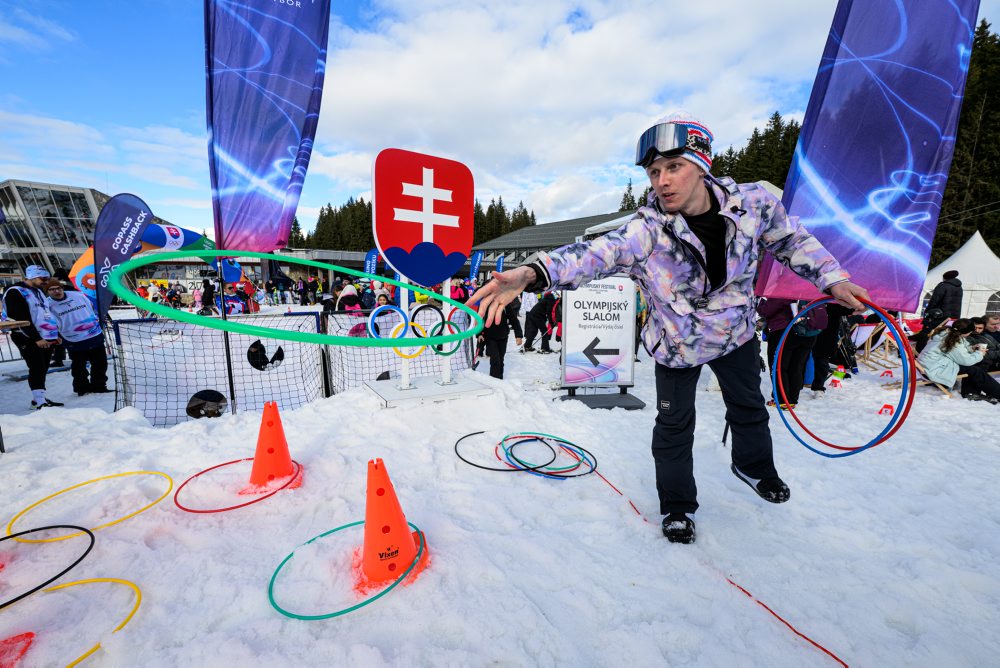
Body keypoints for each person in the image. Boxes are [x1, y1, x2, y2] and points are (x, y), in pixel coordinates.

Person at [468, 112, 868, 544]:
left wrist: (832, 278)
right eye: (654, 171)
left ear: (702, 165)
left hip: (734, 335)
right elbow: (596, 254)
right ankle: (678, 506)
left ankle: (754, 468)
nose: (662, 181)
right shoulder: (647, 231)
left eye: (674, 166)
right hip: (676, 346)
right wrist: (534, 272)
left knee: (750, 408)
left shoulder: (753, 205)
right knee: (675, 426)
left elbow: (792, 240)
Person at [1, 265, 64, 409]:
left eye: (47, 278)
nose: (46, 281)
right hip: (26, 336)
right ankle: (38, 401)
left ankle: (39, 398)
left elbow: (46, 314)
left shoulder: (38, 290)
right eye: (43, 278)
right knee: (36, 367)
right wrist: (36, 339)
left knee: (43, 367)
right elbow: (20, 318)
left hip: (45, 335)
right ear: (31, 277)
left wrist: (55, 334)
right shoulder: (15, 292)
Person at [44, 279, 110, 396]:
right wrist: (54, 336)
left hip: (93, 334)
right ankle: (82, 388)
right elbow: (48, 322)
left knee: (100, 362)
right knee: (79, 365)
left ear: (62, 288)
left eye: (58, 288)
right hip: (73, 338)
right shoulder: (46, 305)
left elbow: (92, 307)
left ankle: (99, 385)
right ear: (47, 292)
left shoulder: (78, 295)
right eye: (52, 289)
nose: (56, 291)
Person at [918, 318, 1000, 403]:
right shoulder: (952, 340)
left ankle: (971, 393)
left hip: (931, 363)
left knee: (975, 367)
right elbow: (966, 361)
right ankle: (995, 393)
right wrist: (980, 353)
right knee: (975, 369)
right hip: (934, 368)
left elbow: (960, 351)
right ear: (968, 332)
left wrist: (972, 348)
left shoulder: (948, 333)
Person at [476, 282, 523, 379]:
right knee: (495, 360)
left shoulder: (504, 304)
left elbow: (514, 320)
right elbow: (479, 320)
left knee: (501, 359)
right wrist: (479, 334)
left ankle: (499, 379)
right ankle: (495, 380)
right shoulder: (484, 304)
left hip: (503, 336)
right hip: (490, 336)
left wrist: (518, 335)